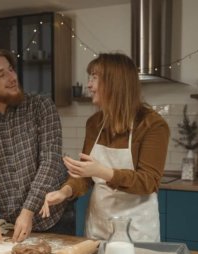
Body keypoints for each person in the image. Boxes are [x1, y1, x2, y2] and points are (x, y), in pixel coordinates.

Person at [40, 53, 170, 242]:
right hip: (98, 228)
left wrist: (102, 171)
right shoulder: (95, 123)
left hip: (136, 231)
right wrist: (65, 191)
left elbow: (148, 182)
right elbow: (85, 177)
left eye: (94, 78)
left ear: (114, 83)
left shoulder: (152, 125)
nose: (89, 85)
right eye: (89, 78)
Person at [0, 45, 72, 244]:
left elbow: (51, 162)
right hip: (12, 226)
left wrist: (27, 212)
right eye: (1, 74)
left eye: (11, 69)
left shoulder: (41, 107)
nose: (12, 77)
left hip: (56, 219)